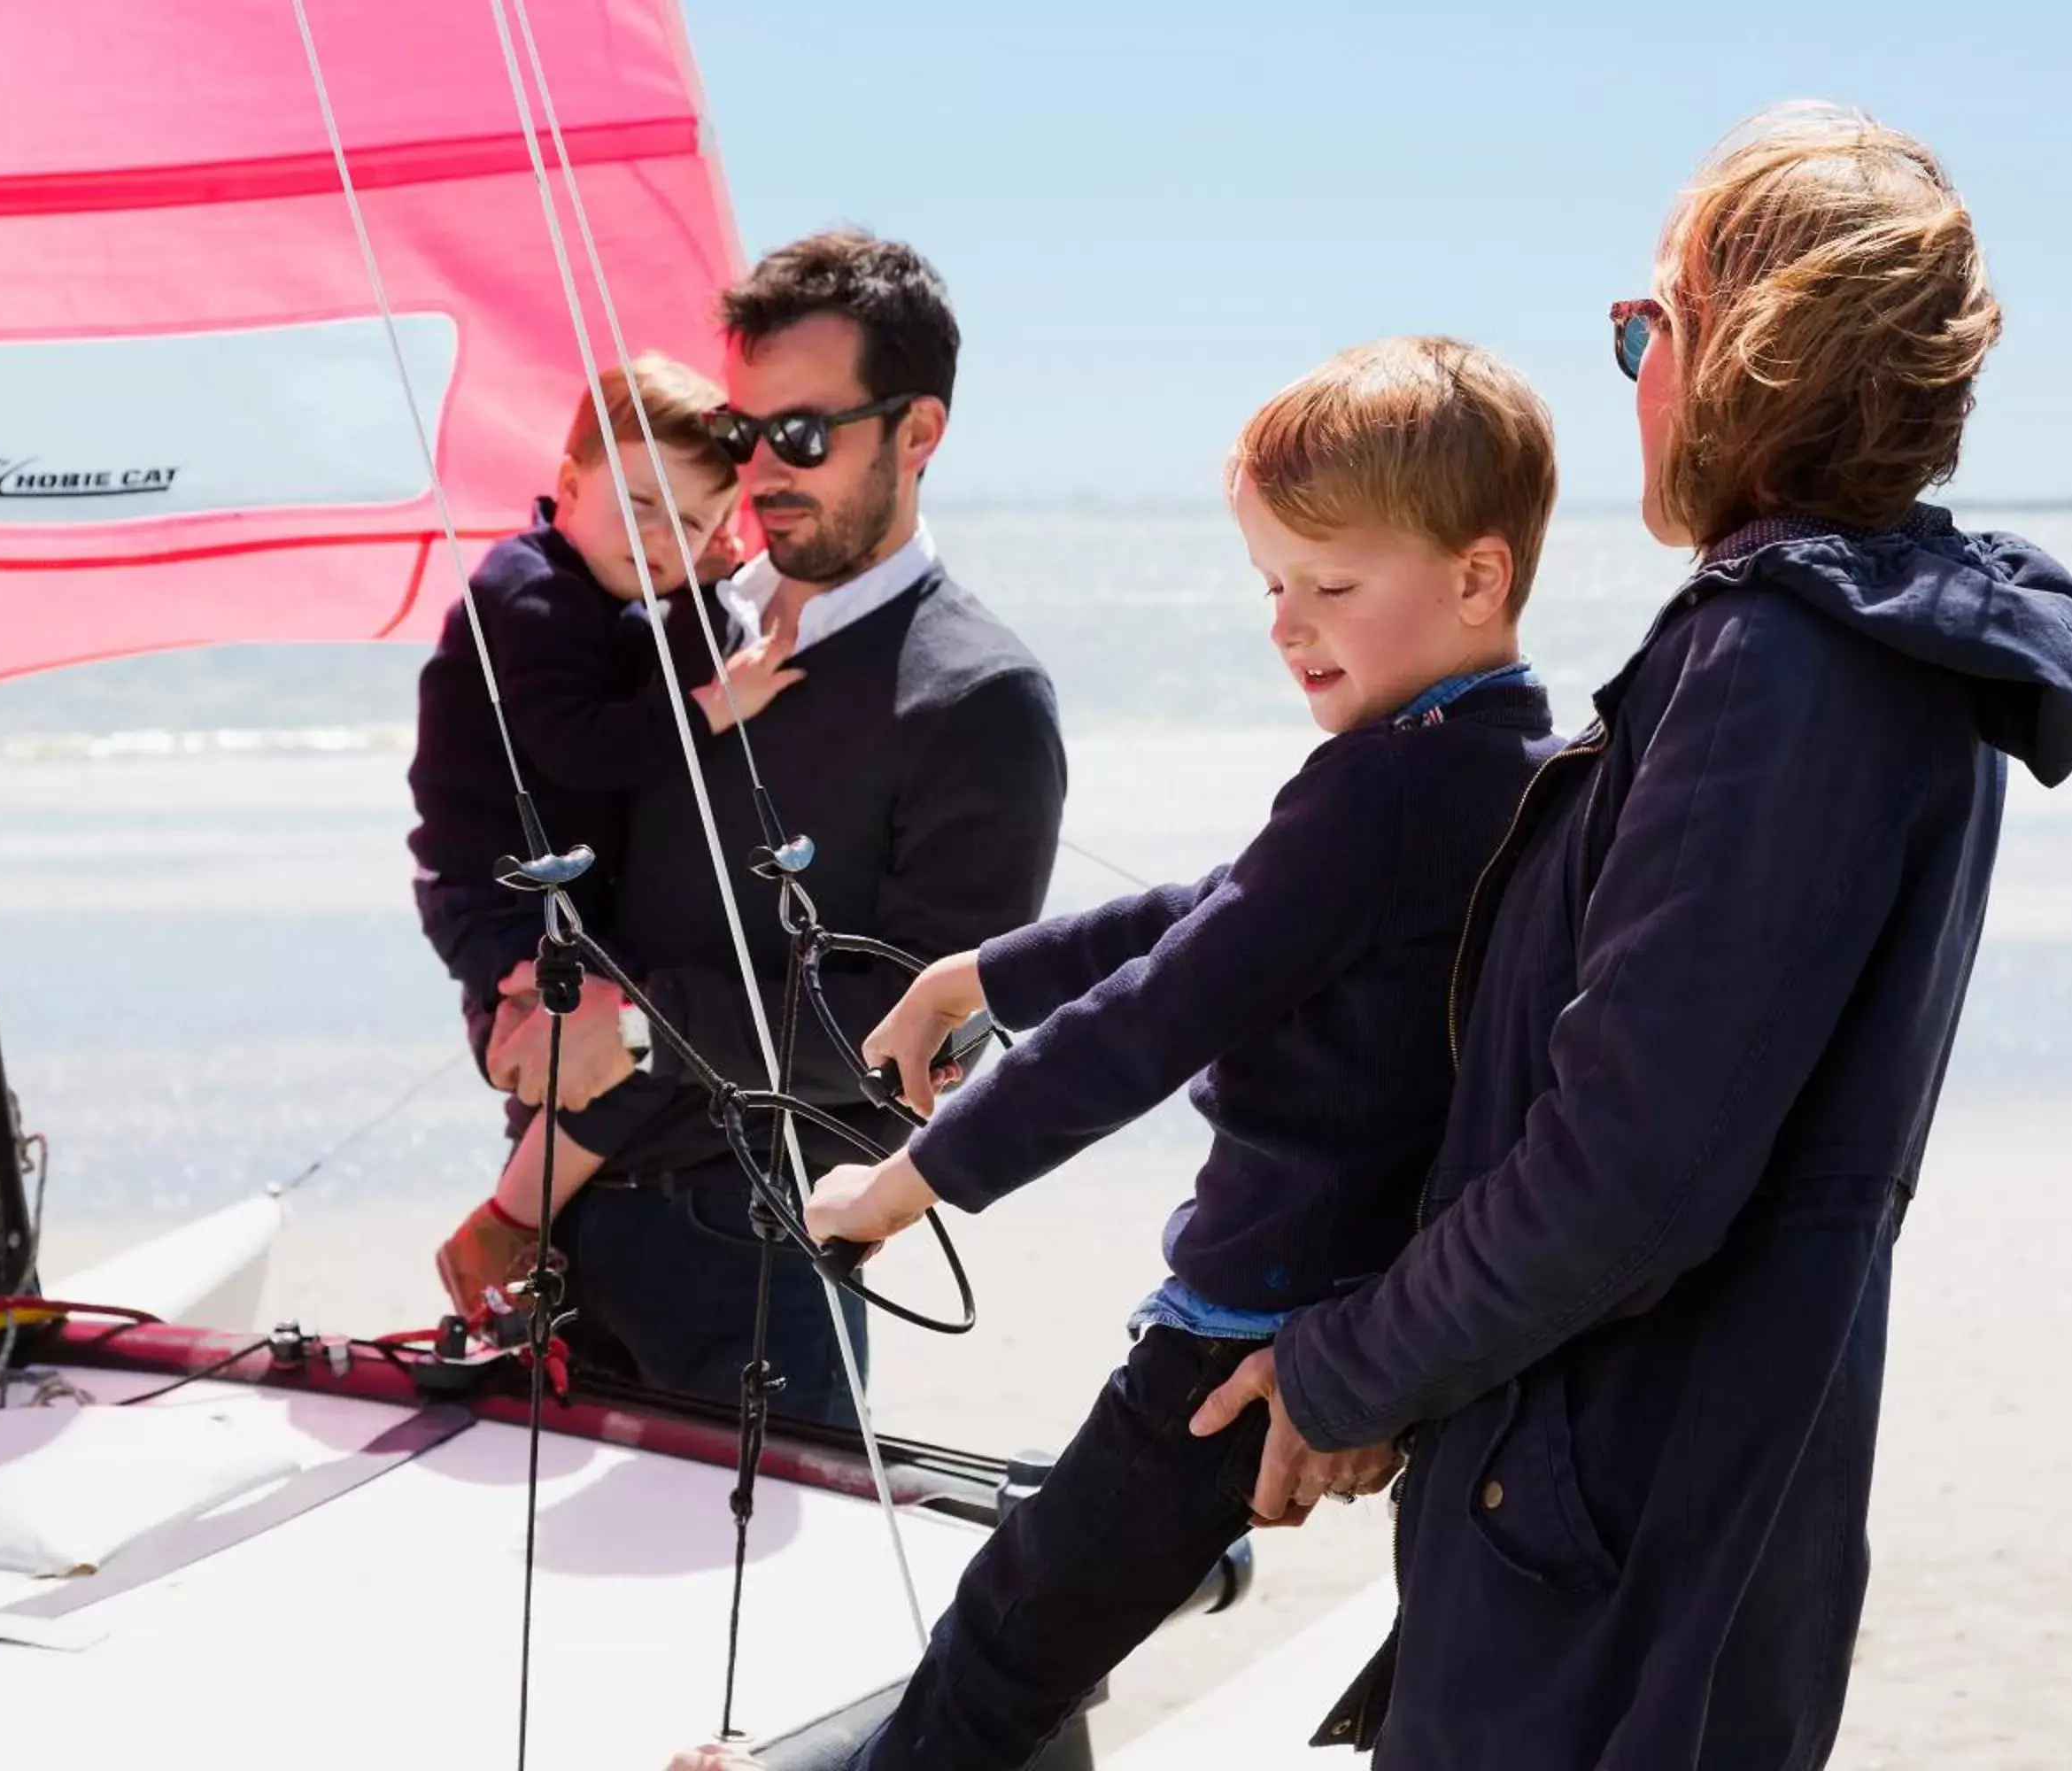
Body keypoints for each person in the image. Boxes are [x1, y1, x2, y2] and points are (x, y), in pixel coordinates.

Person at [1185, 105, 2072, 1767]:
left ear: (1749, 353)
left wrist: (1344, 1372)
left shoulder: (1786, 666)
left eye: (1644, 329)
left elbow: (1629, 1175)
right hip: (1667, 1493)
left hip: (1617, 1537)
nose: (1630, 377)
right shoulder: (1869, 649)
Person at [787, 336, 1565, 1771]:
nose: (1289, 625)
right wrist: (983, 971)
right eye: (1274, 585)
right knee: (1057, 1611)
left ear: (1477, 575)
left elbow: (1165, 1011)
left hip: (1251, 1319)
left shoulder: (1382, 790)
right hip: (1376, 1300)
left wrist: (908, 1183)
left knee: (1017, 1630)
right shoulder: (1511, 759)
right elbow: (1224, 908)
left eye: (1332, 587)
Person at [524, 230, 1069, 1428]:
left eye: (806, 435)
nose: (764, 468)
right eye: (740, 433)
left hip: (757, 1251)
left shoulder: (978, 698)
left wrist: (636, 1028)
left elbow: (915, 1040)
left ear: (918, 434)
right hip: (560, 1211)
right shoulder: (672, 633)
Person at [410, 353, 773, 1316]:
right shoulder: (525, 592)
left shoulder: (609, 597)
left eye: (695, 524)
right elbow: (579, 749)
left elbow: (659, 674)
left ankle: (517, 1250)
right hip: (492, 896)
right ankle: (498, 1233)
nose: (664, 538)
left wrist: (704, 595)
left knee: (608, 1057)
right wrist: (712, 709)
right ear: (569, 486)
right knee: (606, 1055)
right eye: (643, 503)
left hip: (553, 894)